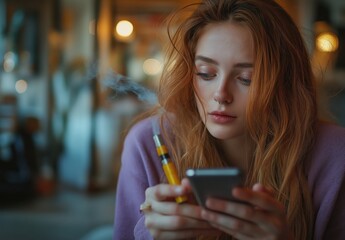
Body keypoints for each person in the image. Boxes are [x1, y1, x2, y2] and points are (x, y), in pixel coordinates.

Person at [113, 0, 345, 239]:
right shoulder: (148, 143)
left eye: (246, 78)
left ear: (284, 84)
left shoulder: (335, 154)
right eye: (206, 74)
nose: (221, 95)